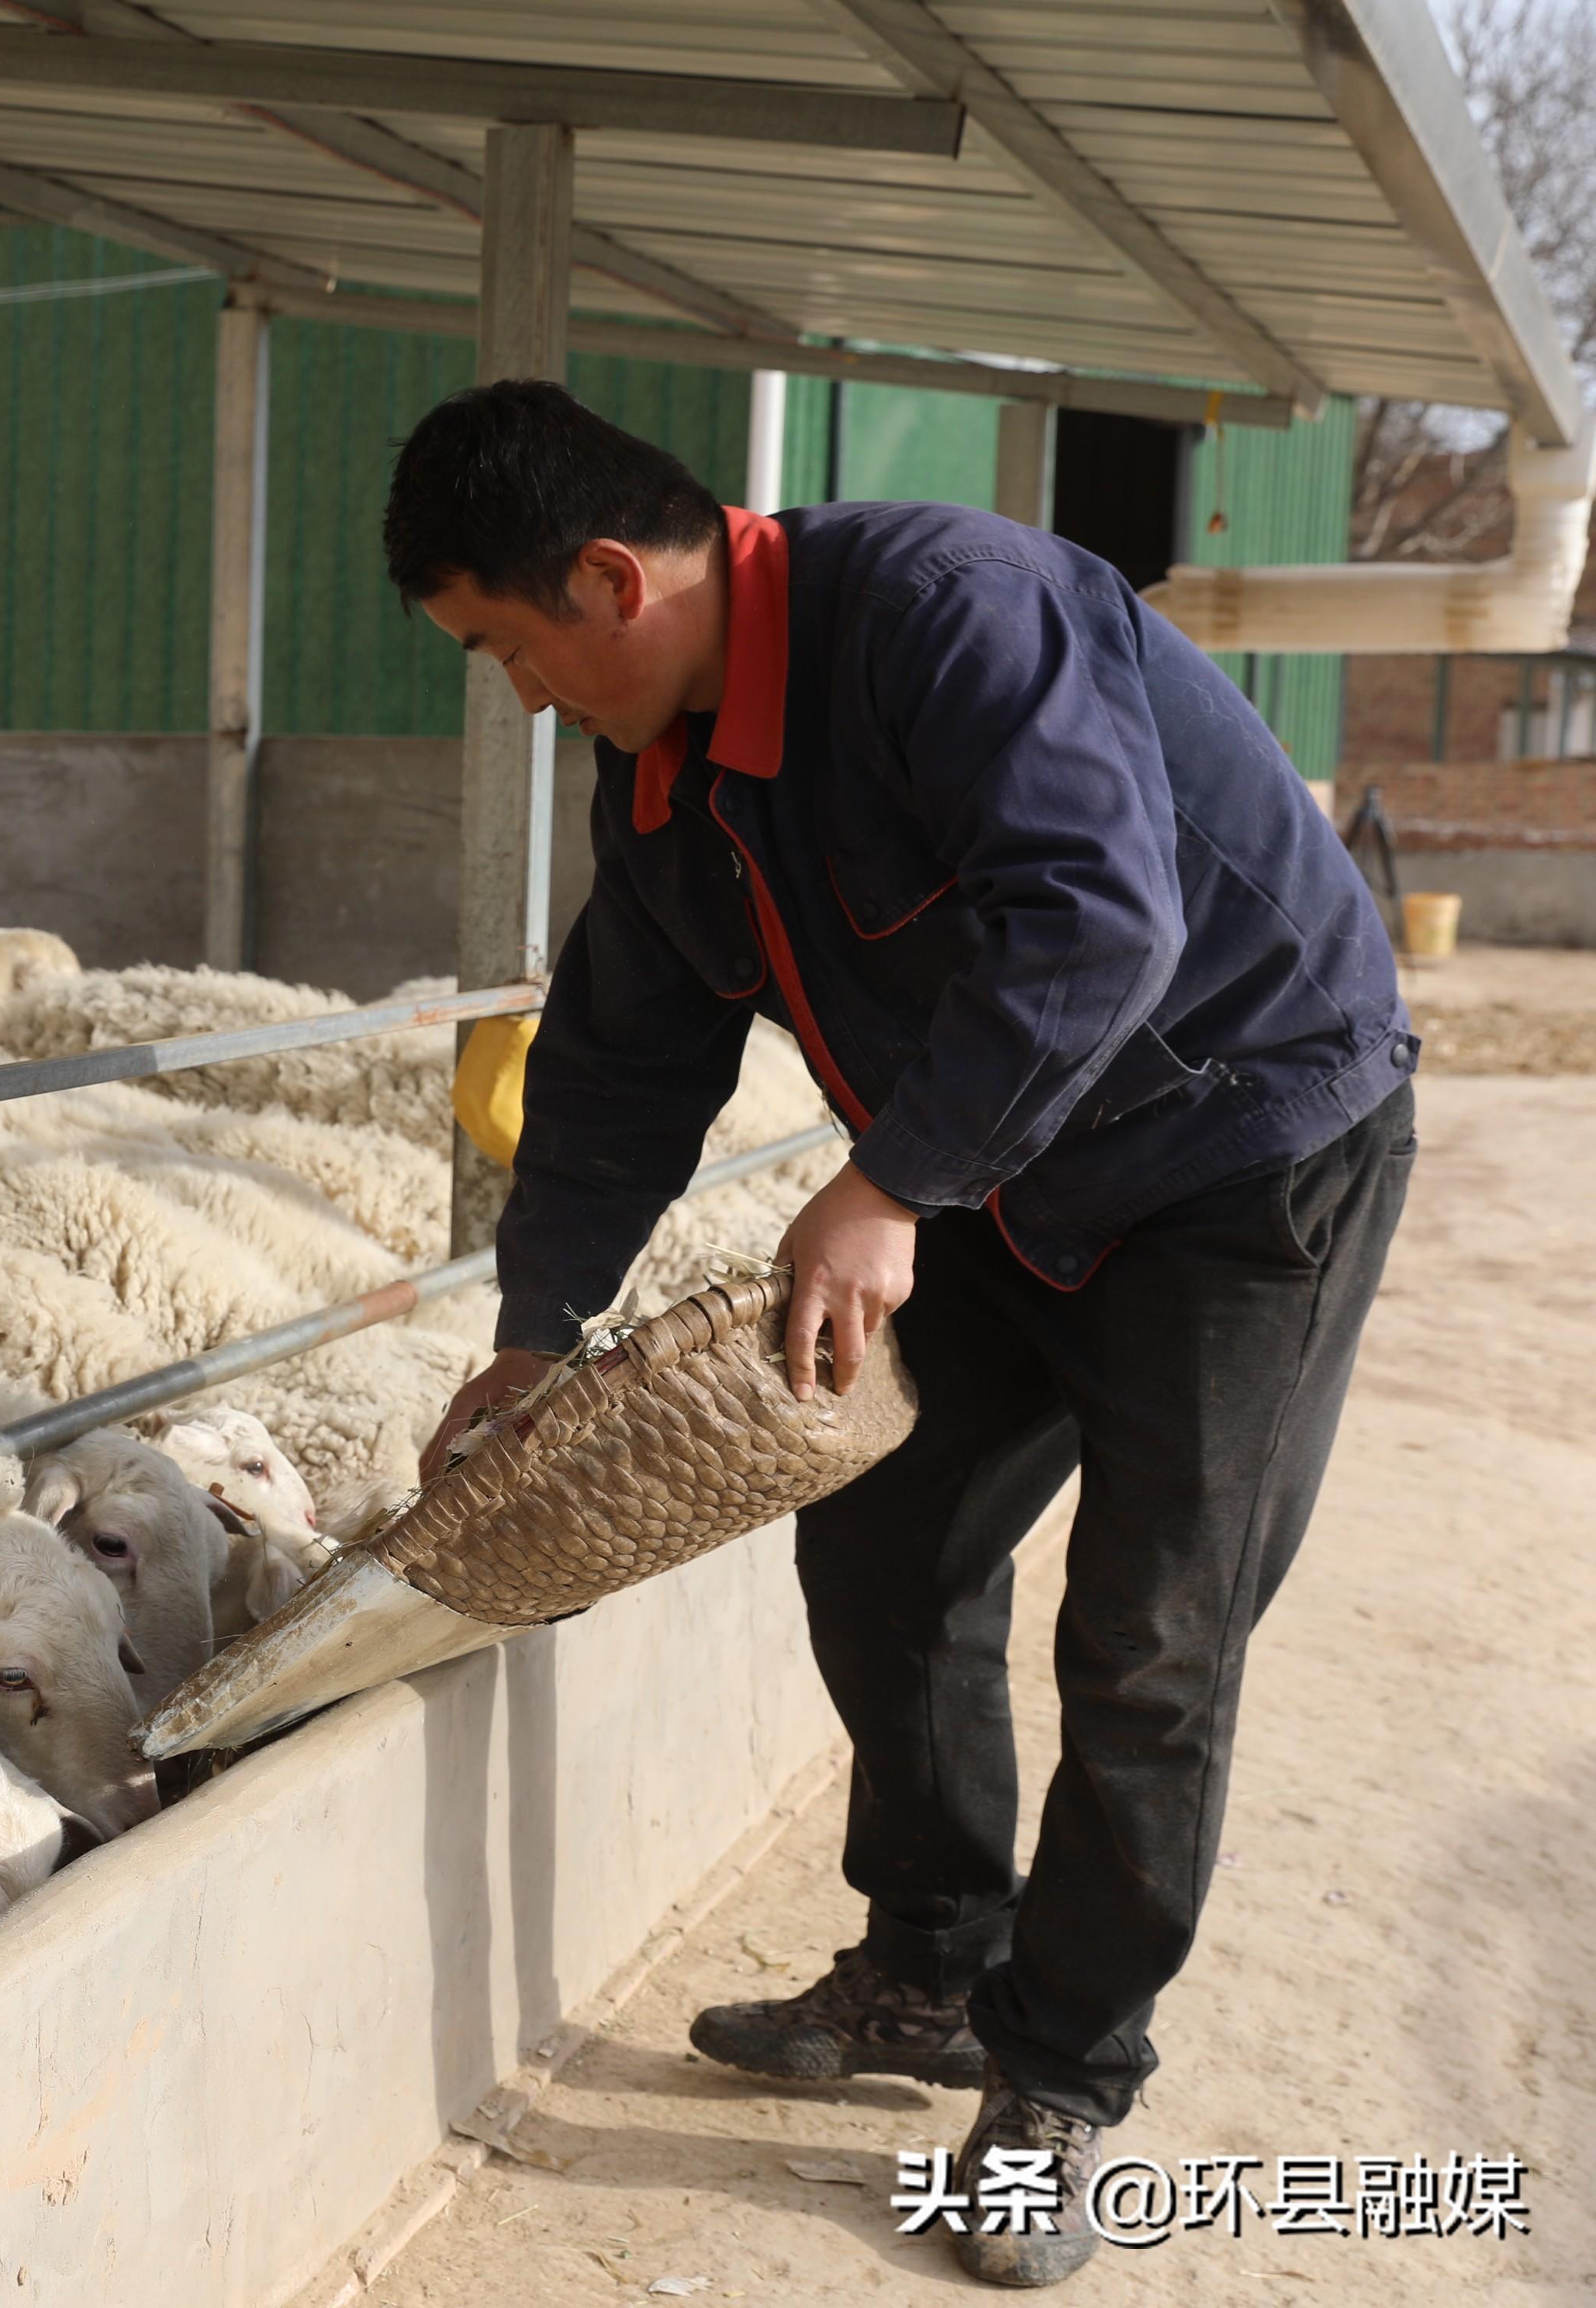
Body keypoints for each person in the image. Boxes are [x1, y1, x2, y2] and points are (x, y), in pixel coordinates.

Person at [387, 382, 1417, 2289]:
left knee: (1152, 1640)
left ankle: (1069, 2076)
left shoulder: (948, 609)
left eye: (508, 650)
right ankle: (933, 1963)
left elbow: (1097, 923)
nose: (520, 696)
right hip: (996, 1169)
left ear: (612, 580)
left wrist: (887, 1187)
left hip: (1241, 1147)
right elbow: (619, 1058)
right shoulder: (670, 774)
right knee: (884, 1536)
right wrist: (540, 1332)